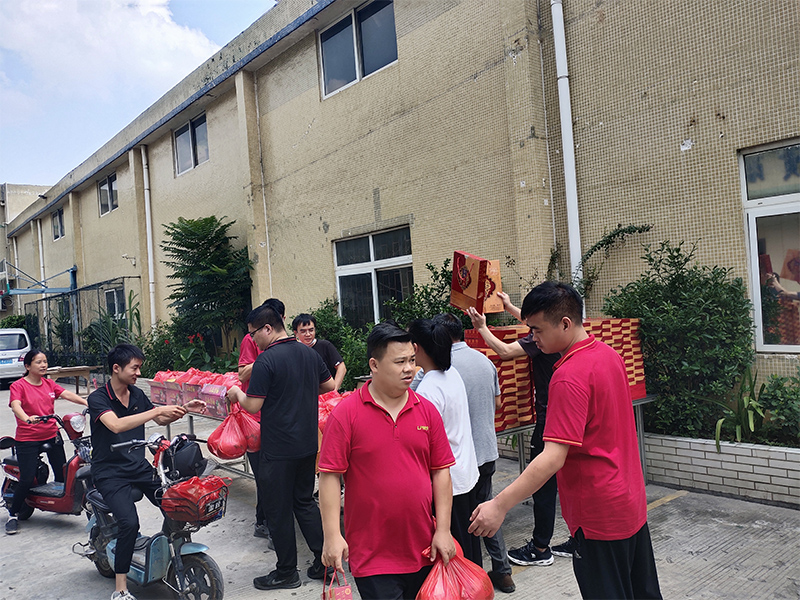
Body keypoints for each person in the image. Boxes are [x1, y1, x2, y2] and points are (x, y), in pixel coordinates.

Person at [469, 282, 662, 600]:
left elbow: (552, 457)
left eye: (537, 330)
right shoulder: (609, 355)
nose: (533, 337)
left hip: (599, 514)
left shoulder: (568, 376)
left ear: (565, 324)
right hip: (630, 503)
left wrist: (499, 505)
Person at [319, 322, 456, 600]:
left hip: (424, 549)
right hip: (373, 556)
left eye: (412, 360)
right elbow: (330, 476)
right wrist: (332, 535)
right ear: (375, 365)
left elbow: (441, 471)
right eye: (400, 362)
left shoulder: (426, 410)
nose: (410, 369)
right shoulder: (346, 414)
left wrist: (443, 530)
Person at [227, 302, 335, 591]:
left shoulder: (266, 361)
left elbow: (253, 405)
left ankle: (287, 571)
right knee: (304, 502)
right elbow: (329, 386)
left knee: (278, 508)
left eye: (253, 335)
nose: (253, 341)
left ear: (267, 328)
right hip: (307, 444)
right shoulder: (308, 353)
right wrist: (300, 389)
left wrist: (237, 393)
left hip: (278, 448)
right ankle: (324, 562)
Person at [88, 344, 204, 600]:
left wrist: (185, 407)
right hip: (109, 472)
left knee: (174, 504)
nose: (139, 373)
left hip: (138, 466)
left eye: (139, 367)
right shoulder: (98, 398)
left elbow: (160, 419)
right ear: (116, 368)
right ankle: (120, 589)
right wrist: (157, 410)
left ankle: (170, 555)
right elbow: (116, 425)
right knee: (130, 523)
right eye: (135, 368)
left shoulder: (137, 394)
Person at [469, 292, 575, 562]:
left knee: (544, 486)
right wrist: (509, 307)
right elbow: (536, 324)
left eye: (537, 329)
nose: (534, 333)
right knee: (572, 479)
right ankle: (580, 541)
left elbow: (505, 352)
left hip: (550, 418)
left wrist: (481, 328)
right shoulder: (569, 337)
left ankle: (540, 549)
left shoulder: (540, 343)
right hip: (565, 417)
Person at [431, 313, 515, 593]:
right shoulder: (484, 360)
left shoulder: (440, 368)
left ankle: (466, 580)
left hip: (459, 460)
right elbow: (498, 403)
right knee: (487, 511)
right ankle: (502, 571)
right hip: (487, 450)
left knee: (460, 522)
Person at [408, 318, 481, 566]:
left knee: (455, 556)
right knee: (470, 550)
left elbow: (424, 444)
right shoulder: (451, 374)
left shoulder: (428, 391)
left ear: (415, 348)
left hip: (449, 482)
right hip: (465, 474)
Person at [5, 349, 88, 535]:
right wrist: (26, 418)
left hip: (51, 433)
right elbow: (16, 405)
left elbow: (66, 394)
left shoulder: (49, 383)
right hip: (28, 437)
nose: (43, 365)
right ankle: (13, 515)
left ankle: (56, 503)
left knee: (63, 472)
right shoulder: (18, 386)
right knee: (27, 479)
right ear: (28, 366)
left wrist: (87, 403)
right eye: (38, 362)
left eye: (45, 361)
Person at [238, 298, 285, 542]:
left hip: (276, 415)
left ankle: (269, 519)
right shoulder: (252, 340)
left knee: (275, 475)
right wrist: (268, 359)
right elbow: (242, 373)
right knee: (265, 475)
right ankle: (264, 522)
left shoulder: (288, 345)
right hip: (255, 417)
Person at [292, 313, 347, 391]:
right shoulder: (293, 350)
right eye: (303, 331)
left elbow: (341, 367)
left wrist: (334, 390)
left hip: (326, 393)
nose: (308, 334)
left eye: (311, 330)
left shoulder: (325, 346)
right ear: (296, 333)